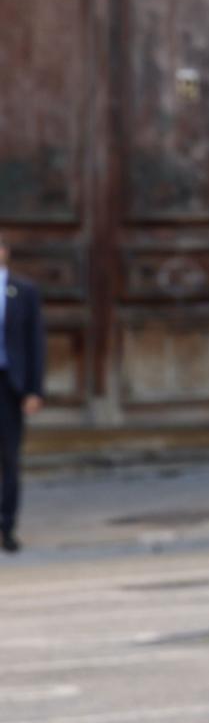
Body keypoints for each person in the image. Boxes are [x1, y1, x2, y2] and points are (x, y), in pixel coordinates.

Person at [0, 236, 45, 555]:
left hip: (9, 386)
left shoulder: (24, 290)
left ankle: (7, 527)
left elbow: (35, 342)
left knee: (9, 459)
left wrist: (33, 390)